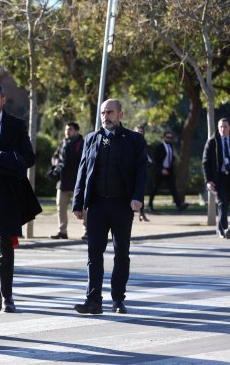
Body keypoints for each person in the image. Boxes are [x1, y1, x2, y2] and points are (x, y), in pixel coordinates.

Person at [72, 99, 147, 315]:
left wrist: (137, 197)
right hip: (97, 206)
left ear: (120, 115)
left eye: (110, 112)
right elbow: (83, 171)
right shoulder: (91, 139)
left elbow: (142, 172)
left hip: (122, 205)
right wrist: (78, 202)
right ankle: (93, 300)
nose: (106, 116)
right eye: (103, 113)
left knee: (121, 253)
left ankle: (118, 299)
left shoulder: (134, 140)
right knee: (94, 253)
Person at [0, 83, 41, 313]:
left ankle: (8, 295)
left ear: (3, 100)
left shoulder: (16, 125)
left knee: (5, 243)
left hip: (6, 190)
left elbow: (28, 157)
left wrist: (2, 160)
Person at [50, 121, 86, 240]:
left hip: (78, 183)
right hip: (62, 182)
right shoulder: (63, 143)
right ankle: (62, 232)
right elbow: (55, 156)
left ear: (76, 131)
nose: (67, 131)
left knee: (84, 208)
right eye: (66, 129)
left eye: (70, 129)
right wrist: (56, 164)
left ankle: (87, 231)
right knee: (61, 208)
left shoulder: (81, 144)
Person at [202, 117, 230, 239]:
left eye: (225, 126)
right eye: (221, 126)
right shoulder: (212, 142)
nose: (223, 129)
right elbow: (205, 162)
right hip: (218, 178)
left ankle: (219, 228)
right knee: (222, 202)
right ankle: (225, 228)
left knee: (226, 204)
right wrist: (208, 180)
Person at [148, 131, 188, 213]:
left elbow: (170, 157)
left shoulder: (170, 146)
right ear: (164, 138)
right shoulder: (159, 147)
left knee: (173, 188)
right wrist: (161, 169)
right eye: (168, 137)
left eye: (171, 138)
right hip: (160, 172)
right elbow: (155, 160)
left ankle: (179, 205)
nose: (169, 139)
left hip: (169, 171)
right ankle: (150, 205)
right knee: (155, 189)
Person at [133, 125, 151, 222]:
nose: (140, 133)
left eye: (141, 131)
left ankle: (141, 213)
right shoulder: (129, 141)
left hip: (141, 171)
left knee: (141, 192)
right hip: (131, 172)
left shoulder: (144, 143)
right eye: (137, 131)